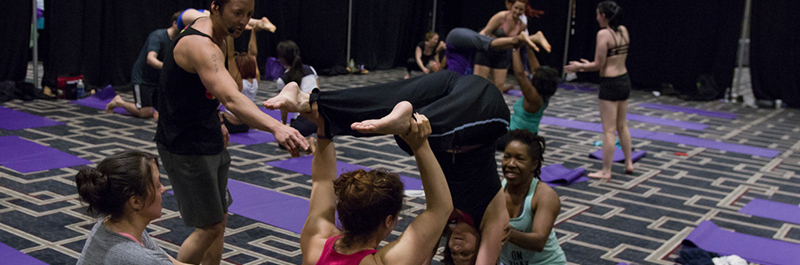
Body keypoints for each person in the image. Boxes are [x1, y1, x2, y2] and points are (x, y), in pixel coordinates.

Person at [264, 71, 511, 264]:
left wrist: (323, 120)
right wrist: (322, 130)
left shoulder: (319, 245)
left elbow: (321, 180)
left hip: (449, 109)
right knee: (487, 97)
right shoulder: (321, 243)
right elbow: (323, 180)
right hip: (467, 121)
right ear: (389, 221)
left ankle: (311, 101)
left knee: (409, 90)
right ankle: (405, 121)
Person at [154, 1, 308, 265]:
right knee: (210, 226)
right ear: (215, 7)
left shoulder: (221, 35)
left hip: (209, 135)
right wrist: (276, 127)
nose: (243, 21)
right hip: (185, 146)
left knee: (219, 218)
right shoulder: (201, 45)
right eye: (238, 13)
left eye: (249, 14)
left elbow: (209, 93)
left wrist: (219, 120)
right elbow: (231, 97)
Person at [300, 111, 453, 265]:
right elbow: (440, 208)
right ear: (388, 221)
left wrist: (323, 128)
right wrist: (420, 146)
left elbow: (322, 180)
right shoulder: (383, 262)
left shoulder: (315, 242)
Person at [74, 151, 189, 265]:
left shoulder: (106, 226)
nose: (163, 189)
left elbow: (170, 262)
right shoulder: (141, 259)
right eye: (158, 185)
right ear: (136, 202)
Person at [564, 0, 633, 179]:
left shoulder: (603, 34)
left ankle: (606, 170)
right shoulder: (623, 30)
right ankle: (628, 162)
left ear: (604, 16)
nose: (596, 18)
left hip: (610, 83)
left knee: (609, 130)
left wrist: (580, 66)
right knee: (622, 125)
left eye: (598, 14)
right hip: (624, 79)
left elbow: (599, 64)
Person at [499, 130, 566, 265]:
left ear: (534, 164)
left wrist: (506, 232)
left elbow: (539, 241)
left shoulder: (545, 196)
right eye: (507, 157)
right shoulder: (497, 188)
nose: (510, 164)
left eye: (519, 159)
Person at [105, 11, 181, 119]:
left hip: (157, 79)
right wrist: (168, 67)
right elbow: (151, 59)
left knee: (167, 110)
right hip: (142, 79)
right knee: (146, 113)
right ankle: (119, 102)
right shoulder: (158, 36)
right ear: (174, 23)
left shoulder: (178, 41)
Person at [495, 48, 560, 150]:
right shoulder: (544, 95)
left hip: (515, 138)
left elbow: (520, 75)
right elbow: (536, 69)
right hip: (528, 137)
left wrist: (515, 49)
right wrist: (528, 47)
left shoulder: (533, 98)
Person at [474, 0, 535, 92]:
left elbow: (516, 45)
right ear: (511, 6)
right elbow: (484, 32)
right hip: (487, 52)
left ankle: (493, 106)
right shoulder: (501, 17)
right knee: (478, 84)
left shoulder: (521, 26)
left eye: (521, 9)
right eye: (516, 8)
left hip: (503, 54)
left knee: (498, 87)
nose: (518, 11)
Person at [444, 27, 550, 77]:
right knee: (498, 45)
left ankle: (526, 38)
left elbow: (484, 34)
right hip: (467, 44)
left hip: (455, 39)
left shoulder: (455, 80)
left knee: (491, 44)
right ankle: (528, 38)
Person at [274, 40, 319, 152]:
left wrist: (283, 126)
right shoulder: (311, 69)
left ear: (282, 59)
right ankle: (315, 139)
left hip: (305, 120)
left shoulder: (282, 80)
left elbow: (283, 106)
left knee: (283, 143)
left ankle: (308, 143)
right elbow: (318, 92)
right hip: (321, 116)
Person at [220, 28, 262, 134]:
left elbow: (230, 56)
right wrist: (253, 31)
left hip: (231, 124)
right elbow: (253, 54)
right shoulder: (256, 80)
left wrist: (230, 32)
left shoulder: (239, 82)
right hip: (245, 125)